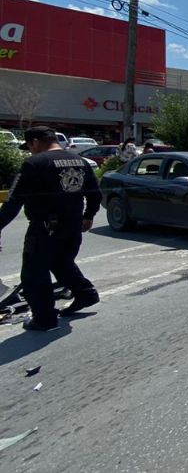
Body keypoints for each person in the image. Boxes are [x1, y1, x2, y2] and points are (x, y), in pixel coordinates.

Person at [0, 126, 102, 331]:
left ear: (35, 142)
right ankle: (85, 294)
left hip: (45, 228)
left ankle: (44, 318)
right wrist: (89, 215)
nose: (30, 151)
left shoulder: (34, 163)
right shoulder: (80, 161)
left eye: (29, 146)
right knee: (62, 263)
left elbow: (13, 201)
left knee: (33, 274)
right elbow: (95, 193)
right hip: (73, 225)